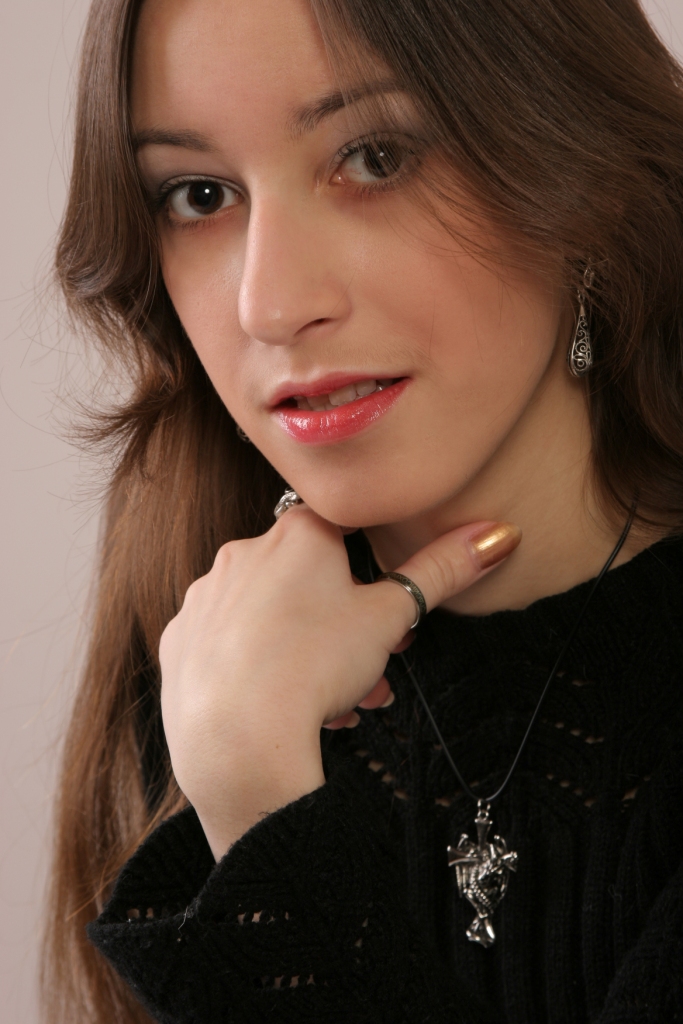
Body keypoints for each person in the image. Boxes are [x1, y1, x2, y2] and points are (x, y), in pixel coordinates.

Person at [42, 0, 683, 1020]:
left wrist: (264, 823)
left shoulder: (237, 736)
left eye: (374, 158)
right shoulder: (207, 663)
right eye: (199, 194)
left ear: (584, 175)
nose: (268, 303)